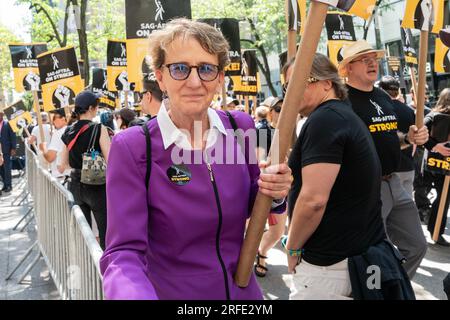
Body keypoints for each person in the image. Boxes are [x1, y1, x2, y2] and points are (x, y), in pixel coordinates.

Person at [100, 18, 292, 300]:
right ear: (160, 77)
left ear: (219, 78)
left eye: (206, 69)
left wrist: (274, 190)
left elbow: (253, 200)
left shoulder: (240, 127)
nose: (194, 82)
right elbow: (123, 253)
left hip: (243, 294)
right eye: (179, 69)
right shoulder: (134, 146)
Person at [285, 53, 413, 300]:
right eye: (286, 85)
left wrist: (292, 247)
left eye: (299, 81)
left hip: (329, 266)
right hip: (352, 257)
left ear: (326, 83)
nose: (289, 91)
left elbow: (313, 200)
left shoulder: (326, 119)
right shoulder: (341, 116)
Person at [338, 39, 428, 279]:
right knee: (376, 254)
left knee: (418, 246)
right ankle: (374, 292)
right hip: (365, 188)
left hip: (395, 182)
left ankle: (394, 289)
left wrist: (410, 137)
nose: (372, 63)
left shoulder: (383, 97)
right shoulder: (342, 102)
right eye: (364, 60)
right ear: (348, 68)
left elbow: (391, 137)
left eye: (374, 59)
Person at [60, 91, 111, 249]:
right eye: (96, 107)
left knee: (84, 232)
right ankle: (105, 269)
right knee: (105, 232)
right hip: (97, 185)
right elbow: (111, 159)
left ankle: (88, 266)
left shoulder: (68, 131)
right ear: (90, 108)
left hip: (76, 184)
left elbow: (62, 164)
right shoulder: (98, 128)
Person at [254, 96, 288, 278]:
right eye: (278, 109)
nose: (282, 112)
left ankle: (261, 250)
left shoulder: (293, 129)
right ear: (270, 112)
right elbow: (258, 160)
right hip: (267, 186)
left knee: (278, 232)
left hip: (290, 185)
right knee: (254, 227)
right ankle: (260, 255)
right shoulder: (262, 130)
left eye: (285, 108)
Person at [377, 76, 416, 197]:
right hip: (408, 167)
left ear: (381, 90)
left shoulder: (381, 110)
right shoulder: (409, 110)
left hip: (390, 170)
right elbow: (414, 139)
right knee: (407, 207)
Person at [422, 88, 450, 246]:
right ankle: (435, 230)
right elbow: (420, 133)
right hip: (437, 164)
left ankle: (435, 229)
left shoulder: (432, 114)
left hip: (434, 163)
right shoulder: (433, 116)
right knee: (443, 197)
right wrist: (436, 146)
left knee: (443, 197)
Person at [39, 108, 70, 180]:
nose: (52, 121)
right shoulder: (74, 130)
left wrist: (43, 148)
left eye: (54, 118)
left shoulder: (59, 133)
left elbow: (50, 158)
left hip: (62, 176)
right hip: (72, 175)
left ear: (63, 118)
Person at [0, 110, 17, 194]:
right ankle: (5, 185)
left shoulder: (8, 124)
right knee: (1, 169)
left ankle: (9, 185)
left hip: (6, 150)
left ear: (2, 116)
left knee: (7, 169)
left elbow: (13, 136)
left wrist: (13, 148)